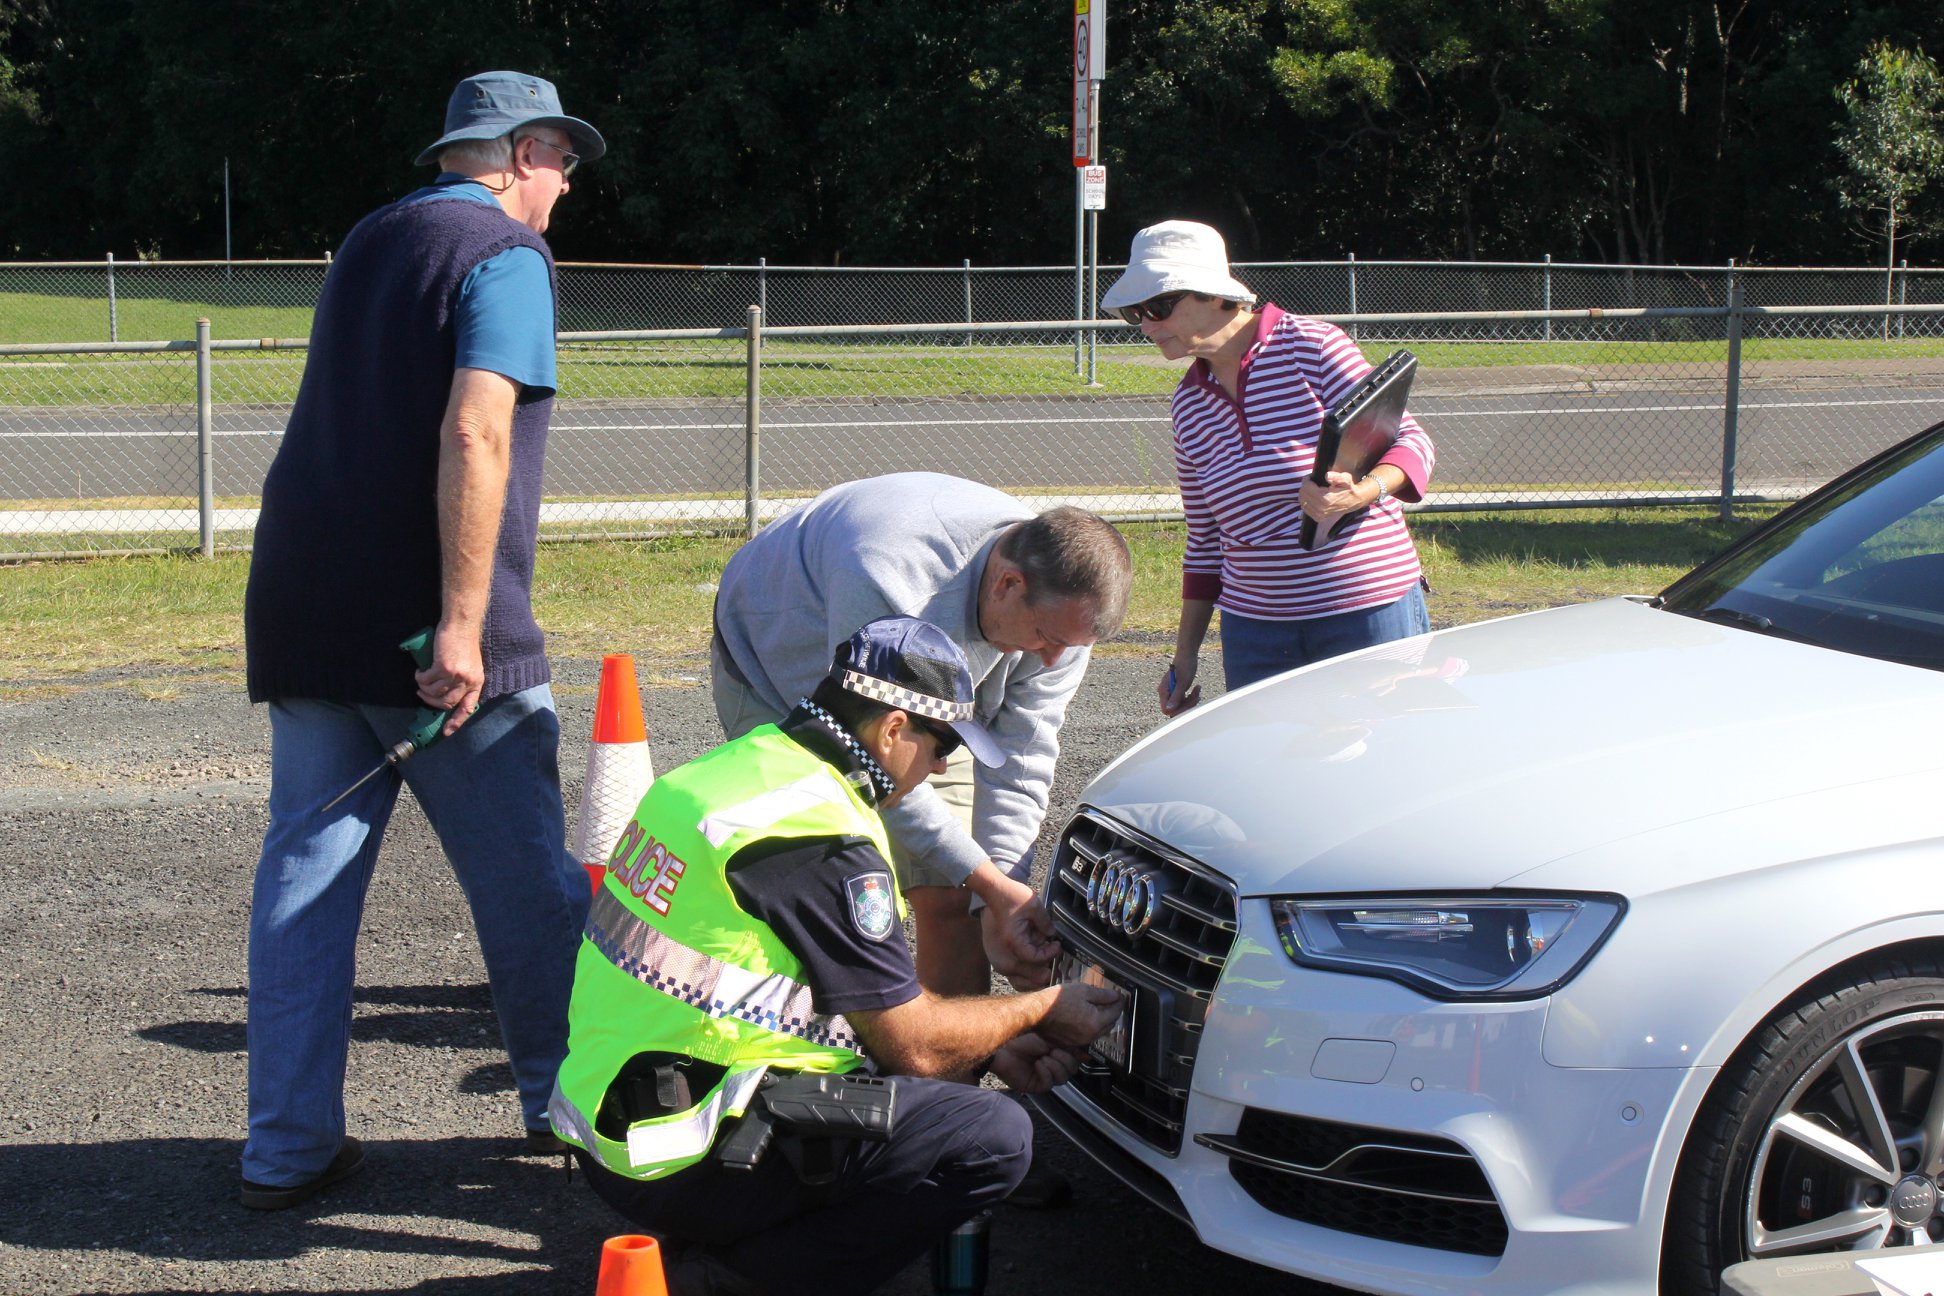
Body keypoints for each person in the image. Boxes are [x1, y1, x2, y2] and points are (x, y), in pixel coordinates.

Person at [236, 71, 604, 1209]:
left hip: (304, 606)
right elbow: (477, 428)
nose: (566, 190)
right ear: (525, 153)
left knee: (304, 880)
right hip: (428, 632)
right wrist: (460, 622)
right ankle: (567, 1108)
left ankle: (285, 1147)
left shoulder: (371, 236)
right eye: (565, 166)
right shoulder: (505, 256)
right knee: (530, 886)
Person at [549, 617, 1123, 1295]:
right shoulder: (818, 839)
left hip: (615, 1120)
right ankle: (719, 1279)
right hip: (682, 1150)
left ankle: (724, 1234)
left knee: (936, 1090)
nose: (939, 768)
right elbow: (914, 1047)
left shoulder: (735, 774)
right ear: (892, 729)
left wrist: (993, 1047)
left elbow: (796, 996)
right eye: (938, 747)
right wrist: (1040, 1010)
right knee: (991, 1135)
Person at [710, 472, 1132, 998]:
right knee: (817, 888)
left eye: (1067, 645)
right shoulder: (889, 575)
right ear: (1007, 584)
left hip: (934, 697)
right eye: (1046, 639)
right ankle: (807, 1055)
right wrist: (989, 883)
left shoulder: (1062, 619)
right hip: (778, 668)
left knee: (952, 891)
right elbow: (861, 750)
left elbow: (1021, 756)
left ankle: (951, 1071)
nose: (1051, 660)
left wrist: (998, 893)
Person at [1099, 220, 1436, 715]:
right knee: (1270, 773)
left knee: (1384, 765)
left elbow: (1411, 440)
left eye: (1158, 306)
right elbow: (1205, 538)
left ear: (1217, 296)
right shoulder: (1188, 404)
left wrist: (1360, 493)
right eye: (1135, 313)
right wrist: (1186, 654)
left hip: (1365, 608)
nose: (1146, 325)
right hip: (1255, 631)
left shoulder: (1313, 348)